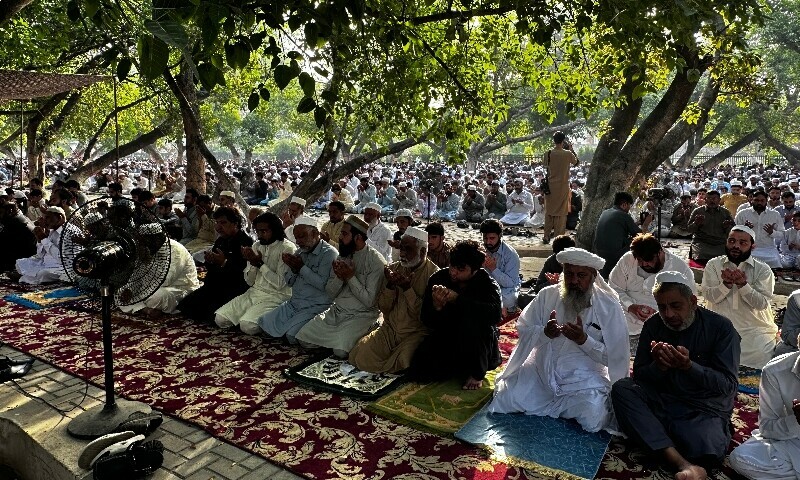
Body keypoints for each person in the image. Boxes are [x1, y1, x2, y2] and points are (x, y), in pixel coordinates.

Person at [611, 271, 740, 480]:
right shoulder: (654, 325)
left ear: (693, 302)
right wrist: (659, 367)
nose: (668, 314)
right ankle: (681, 462)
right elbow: (640, 377)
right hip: (664, 400)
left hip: (702, 409)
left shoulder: (721, 329)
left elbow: (728, 386)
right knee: (622, 389)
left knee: (704, 447)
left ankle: (659, 443)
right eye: (662, 307)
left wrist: (690, 367)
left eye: (675, 306)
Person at [489, 248, 629, 433]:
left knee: (593, 417)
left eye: (581, 275)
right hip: (542, 371)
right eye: (569, 274)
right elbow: (524, 329)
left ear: (593, 276)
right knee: (505, 398)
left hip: (583, 379)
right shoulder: (547, 295)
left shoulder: (609, 306)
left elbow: (616, 357)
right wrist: (544, 333)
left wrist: (584, 341)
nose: (574, 281)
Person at [409, 240, 502, 390]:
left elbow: (495, 316)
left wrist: (457, 299)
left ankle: (477, 373)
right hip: (448, 334)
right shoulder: (438, 278)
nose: (453, 272)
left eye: (460, 269)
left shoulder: (488, 284)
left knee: (479, 327)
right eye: (452, 266)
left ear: (474, 269)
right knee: (418, 371)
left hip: (476, 341)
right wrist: (437, 307)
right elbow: (426, 319)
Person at [349, 226, 439, 373]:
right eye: (401, 248)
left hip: (415, 333)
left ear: (422, 252)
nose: (402, 253)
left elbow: (426, 316)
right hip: (390, 329)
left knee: (404, 361)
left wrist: (407, 289)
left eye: (407, 249)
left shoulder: (435, 276)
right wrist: (390, 285)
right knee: (361, 354)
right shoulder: (394, 269)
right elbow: (383, 308)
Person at [295, 216, 386, 358]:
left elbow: (370, 302)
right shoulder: (342, 256)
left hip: (362, 316)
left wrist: (350, 277)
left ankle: (368, 330)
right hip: (336, 312)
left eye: (344, 234)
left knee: (340, 352)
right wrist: (339, 277)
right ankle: (339, 339)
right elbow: (330, 294)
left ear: (358, 238)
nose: (339, 237)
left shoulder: (376, 261)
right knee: (303, 338)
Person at [701, 225, 777, 369]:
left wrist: (743, 285)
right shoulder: (713, 265)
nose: (735, 246)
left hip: (753, 329)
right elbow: (710, 297)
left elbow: (761, 304)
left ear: (752, 246)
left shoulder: (763, 270)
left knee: (760, 353)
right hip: (719, 327)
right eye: (732, 241)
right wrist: (726, 285)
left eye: (742, 243)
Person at [729, 333, 800, 479]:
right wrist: (797, 422)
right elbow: (767, 428)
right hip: (794, 441)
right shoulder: (776, 371)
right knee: (741, 458)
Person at [258, 216, 338, 343]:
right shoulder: (300, 252)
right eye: (296, 238)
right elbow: (289, 283)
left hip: (315, 306)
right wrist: (293, 269)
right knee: (263, 324)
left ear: (315, 234)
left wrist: (301, 267)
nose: (299, 241)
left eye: (302, 236)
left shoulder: (329, 254)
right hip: (294, 304)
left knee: (292, 336)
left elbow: (323, 285)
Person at [215, 212, 296, 334]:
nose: (259, 235)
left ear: (275, 230)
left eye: (264, 231)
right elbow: (249, 281)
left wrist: (260, 264)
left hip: (276, 296)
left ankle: (269, 318)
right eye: (257, 231)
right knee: (220, 319)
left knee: (247, 326)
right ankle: (254, 317)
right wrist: (252, 264)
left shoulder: (287, 248)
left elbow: (280, 284)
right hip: (254, 292)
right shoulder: (256, 245)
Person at [609, 233, 696, 336]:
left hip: (663, 325)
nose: (644, 264)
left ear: (660, 253)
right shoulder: (627, 260)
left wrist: (662, 313)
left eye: (649, 260)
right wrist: (631, 306)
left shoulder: (680, 268)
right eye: (640, 260)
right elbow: (613, 288)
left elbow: (688, 303)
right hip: (624, 319)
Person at [176, 207, 253, 323]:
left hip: (234, 287)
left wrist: (224, 262)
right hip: (215, 284)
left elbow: (245, 272)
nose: (218, 227)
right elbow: (211, 267)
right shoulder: (221, 240)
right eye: (217, 222)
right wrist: (210, 261)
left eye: (223, 223)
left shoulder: (246, 242)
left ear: (235, 224)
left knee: (211, 316)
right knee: (185, 306)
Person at [118, 224, 200, 318]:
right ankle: (145, 309)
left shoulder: (175, 250)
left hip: (178, 288)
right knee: (121, 291)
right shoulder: (147, 248)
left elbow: (165, 281)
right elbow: (136, 276)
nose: (142, 245)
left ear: (157, 239)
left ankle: (138, 306)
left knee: (158, 296)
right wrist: (130, 289)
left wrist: (146, 262)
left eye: (145, 241)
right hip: (149, 287)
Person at [593, 192, 652, 279]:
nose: (629, 208)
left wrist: (638, 223)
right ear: (624, 204)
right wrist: (646, 224)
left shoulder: (606, 212)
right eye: (629, 206)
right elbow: (641, 235)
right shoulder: (623, 215)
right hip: (613, 255)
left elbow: (621, 227)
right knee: (641, 242)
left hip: (599, 252)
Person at [14, 206, 77, 284]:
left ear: (60, 218)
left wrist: (44, 239)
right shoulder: (52, 230)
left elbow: (61, 257)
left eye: (47, 217)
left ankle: (23, 278)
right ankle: (25, 277)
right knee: (20, 263)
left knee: (43, 274)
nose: (45, 220)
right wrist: (39, 239)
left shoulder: (68, 232)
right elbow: (40, 255)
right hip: (46, 262)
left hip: (63, 266)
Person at [541, 133, 579, 242]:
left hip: (550, 188)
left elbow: (545, 166)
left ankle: (546, 235)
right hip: (563, 187)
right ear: (563, 141)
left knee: (549, 211)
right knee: (562, 213)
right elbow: (576, 162)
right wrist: (571, 149)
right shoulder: (567, 154)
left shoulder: (548, 153)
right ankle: (559, 238)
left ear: (554, 141)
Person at [480, 219, 521, 317]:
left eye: (492, 238)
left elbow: (510, 283)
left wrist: (493, 269)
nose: (488, 242)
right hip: (486, 286)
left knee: (508, 300)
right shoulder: (481, 250)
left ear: (499, 236)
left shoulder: (511, 255)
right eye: (485, 238)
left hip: (506, 288)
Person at [735, 190, 784, 268]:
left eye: (762, 200)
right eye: (756, 200)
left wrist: (772, 232)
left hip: (768, 248)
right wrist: (744, 229)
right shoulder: (742, 213)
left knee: (775, 260)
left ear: (766, 201)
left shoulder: (774, 214)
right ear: (752, 200)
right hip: (747, 248)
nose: (759, 203)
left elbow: (782, 234)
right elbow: (734, 234)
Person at [687, 190, 735, 265]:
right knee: (701, 256)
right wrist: (696, 223)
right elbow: (689, 229)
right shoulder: (698, 211)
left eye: (714, 198)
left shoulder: (725, 212)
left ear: (719, 200)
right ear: (705, 200)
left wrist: (727, 227)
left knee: (723, 259)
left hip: (720, 242)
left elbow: (733, 232)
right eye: (709, 198)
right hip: (702, 241)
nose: (712, 201)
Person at [0, 203, 36, 272]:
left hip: (20, 255)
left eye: (1, 213)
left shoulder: (14, 223)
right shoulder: (20, 218)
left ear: (9, 211)